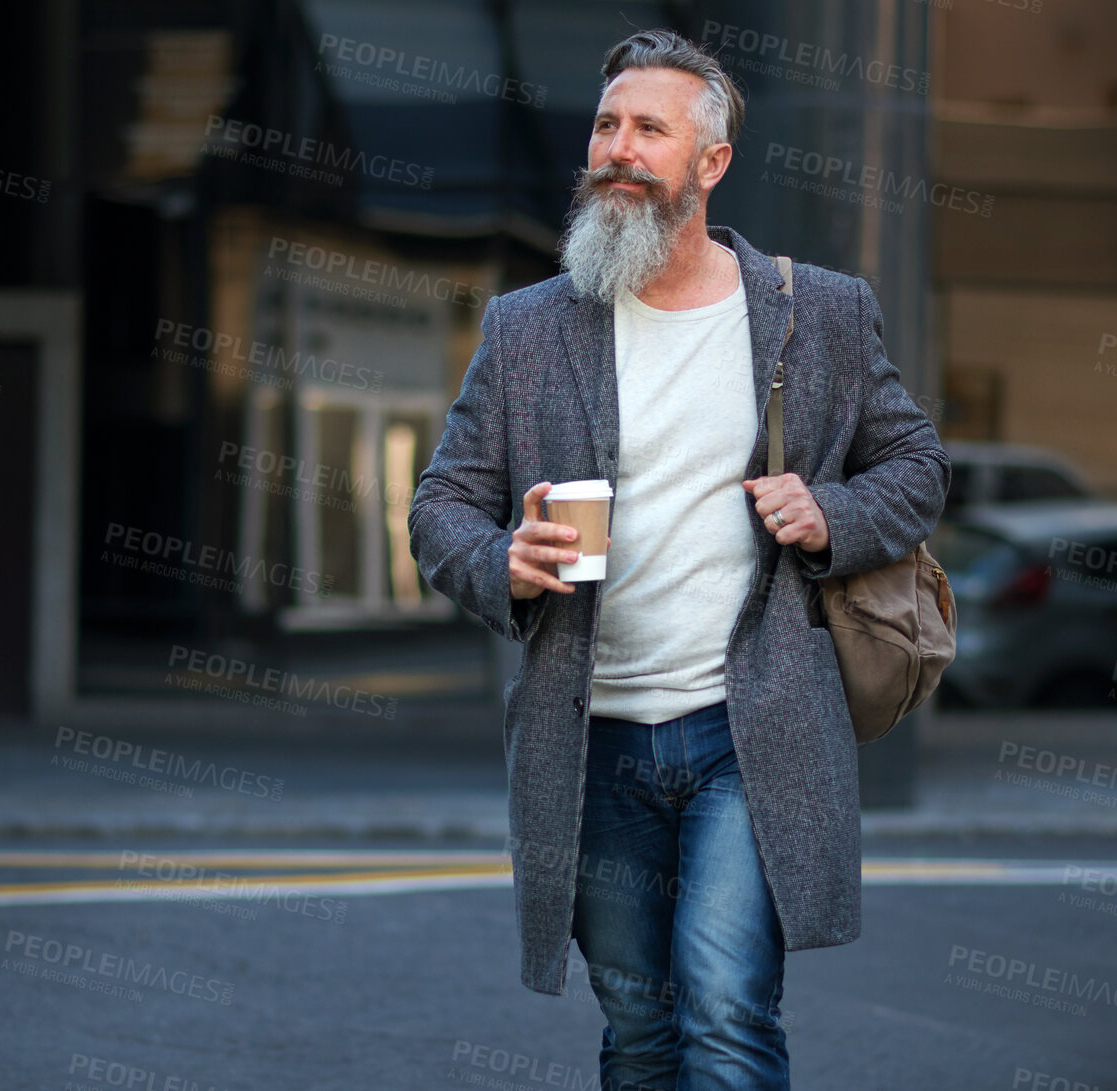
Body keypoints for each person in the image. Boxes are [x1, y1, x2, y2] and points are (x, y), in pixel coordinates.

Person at [406, 28, 948, 1091]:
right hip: (589, 735)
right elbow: (441, 504)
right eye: (605, 125)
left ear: (710, 163)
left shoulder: (817, 313)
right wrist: (499, 557)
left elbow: (917, 465)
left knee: (725, 1007)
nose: (614, 147)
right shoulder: (525, 327)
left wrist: (830, 509)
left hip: (747, 730)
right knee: (638, 1025)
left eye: (646, 128)